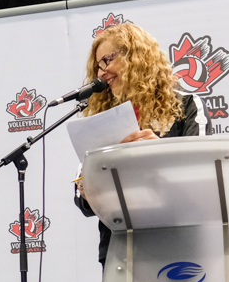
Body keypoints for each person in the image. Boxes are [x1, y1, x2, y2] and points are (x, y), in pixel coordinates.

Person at [73, 22, 200, 263]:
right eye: (97, 66)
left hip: (176, 243)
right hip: (118, 248)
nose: (100, 73)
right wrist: (88, 191)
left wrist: (157, 154)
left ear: (135, 57)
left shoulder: (186, 105)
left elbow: (200, 178)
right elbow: (83, 205)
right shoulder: (102, 118)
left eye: (106, 61)